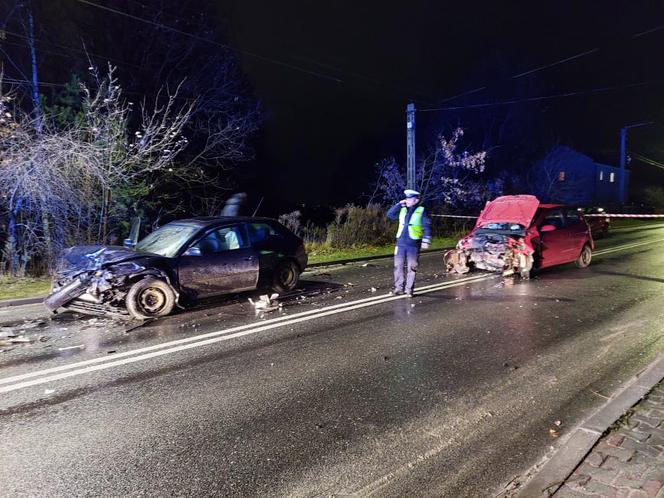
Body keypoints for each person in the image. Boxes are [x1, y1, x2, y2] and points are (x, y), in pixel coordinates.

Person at [387, 189, 432, 297]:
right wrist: (399, 204)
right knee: (398, 266)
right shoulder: (402, 210)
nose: (407, 200)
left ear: (415, 200)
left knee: (412, 267)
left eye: (409, 199)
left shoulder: (421, 211)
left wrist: (426, 240)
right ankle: (399, 288)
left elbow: (426, 226)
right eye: (406, 198)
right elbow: (389, 214)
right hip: (400, 243)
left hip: (413, 244)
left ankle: (409, 290)